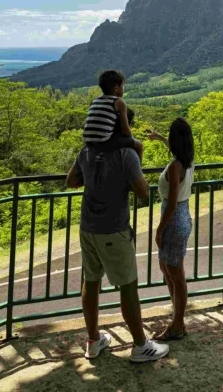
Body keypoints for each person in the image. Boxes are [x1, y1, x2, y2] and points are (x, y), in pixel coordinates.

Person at [66, 142, 169, 363]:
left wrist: (96, 178)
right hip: (114, 230)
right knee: (128, 286)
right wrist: (136, 154)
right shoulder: (124, 153)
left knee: (91, 281)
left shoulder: (87, 149)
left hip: (87, 227)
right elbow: (143, 193)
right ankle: (141, 345)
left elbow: (72, 180)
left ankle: (93, 341)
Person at [148, 118, 195, 340]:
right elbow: (174, 147)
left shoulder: (176, 166)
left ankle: (177, 325)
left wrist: (159, 230)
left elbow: (173, 201)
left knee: (176, 275)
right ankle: (178, 321)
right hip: (182, 217)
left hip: (173, 220)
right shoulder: (187, 160)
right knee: (168, 270)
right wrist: (159, 137)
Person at [83, 69, 143, 162]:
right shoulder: (118, 102)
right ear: (116, 88)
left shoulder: (95, 101)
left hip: (88, 141)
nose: (123, 89)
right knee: (139, 145)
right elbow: (126, 129)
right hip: (105, 142)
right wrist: (130, 140)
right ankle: (138, 170)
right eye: (122, 86)